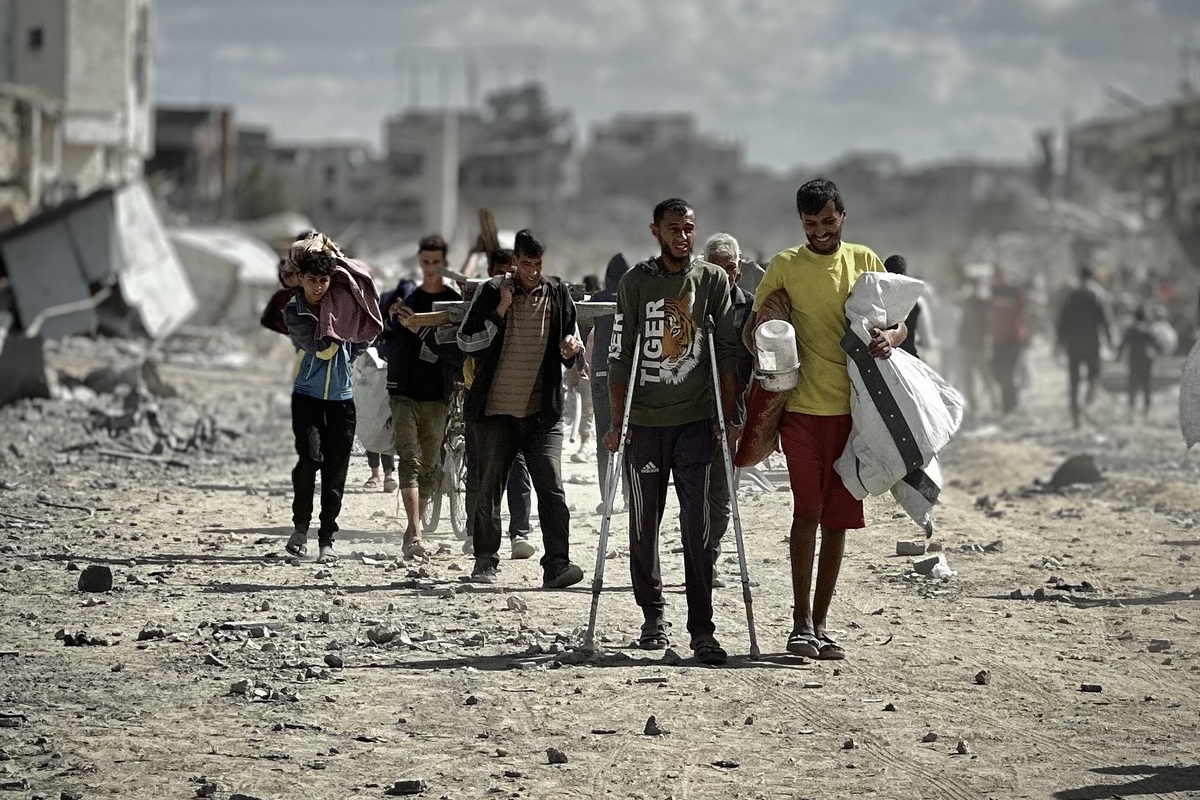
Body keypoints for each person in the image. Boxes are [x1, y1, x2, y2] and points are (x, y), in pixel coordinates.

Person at [751, 178, 904, 661]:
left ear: (843, 216)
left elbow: (897, 322)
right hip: (800, 412)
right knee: (807, 512)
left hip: (855, 415)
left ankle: (821, 623)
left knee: (837, 520)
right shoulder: (785, 266)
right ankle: (799, 624)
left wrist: (891, 339)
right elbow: (757, 330)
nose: (820, 231)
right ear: (801, 222)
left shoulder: (865, 261)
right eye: (810, 223)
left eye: (828, 221)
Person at [606, 198, 738, 665]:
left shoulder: (712, 280)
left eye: (689, 228)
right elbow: (620, 355)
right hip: (645, 423)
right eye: (674, 229)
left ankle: (702, 629)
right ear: (656, 231)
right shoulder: (635, 283)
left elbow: (725, 351)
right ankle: (653, 615)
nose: (683, 236)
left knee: (697, 526)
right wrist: (617, 421)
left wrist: (727, 417)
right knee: (644, 524)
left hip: (696, 422)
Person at [457, 229, 586, 588]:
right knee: (488, 489)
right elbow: (466, 342)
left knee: (552, 488)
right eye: (526, 264)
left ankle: (557, 565)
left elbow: (573, 344)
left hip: (542, 413)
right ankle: (485, 562)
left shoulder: (558, 294)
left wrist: (572, 349)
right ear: (514, 261)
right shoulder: (491, 291)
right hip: (495, 412)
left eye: (538, 264)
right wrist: (500, 310)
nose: (532, 272)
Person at [282, 238, 364, 565]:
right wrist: (344, 332)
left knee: (335, 473)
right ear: (301, 279)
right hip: (308, 396)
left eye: (324, 280)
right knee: (309, 460)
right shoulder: (294, 311)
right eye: (312, 279)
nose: (318, 287)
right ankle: (300, 528)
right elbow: (321, 348)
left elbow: (364, 333)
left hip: (342, 399)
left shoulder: (341, 305)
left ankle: (327, 539)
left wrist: (350, 347)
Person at [382, 235, 462, 558]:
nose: (430, 268)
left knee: (429, 465)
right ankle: (416, 533)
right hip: (404, 393)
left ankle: (412, 527)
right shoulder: (408, 298)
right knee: (409, 458)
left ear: (444, 263)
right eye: (426, 262)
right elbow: (387, 344)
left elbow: (456, 353)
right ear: (419, 261)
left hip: (437, 396)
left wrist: (422, 330)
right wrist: (393, 322)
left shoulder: (453, 304)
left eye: (436, 262)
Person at [462, 247, 536, 560]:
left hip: (519, 401)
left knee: (518, 469)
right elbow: (469, 342)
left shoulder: (536, 302)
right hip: (485, 399)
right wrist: (501, 309)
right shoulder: (486, 297)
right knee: (479, 470)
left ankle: (520, 533)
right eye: (502, 272)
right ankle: (474, 533)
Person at [701, 232, 754, 589]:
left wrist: (741, 416)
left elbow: (754, 367)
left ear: (739, 268)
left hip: (731, 412)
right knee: (695, 492)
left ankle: (710, 556)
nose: (725, 275)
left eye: (731, 268)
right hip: (691, 409)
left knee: (720, 495)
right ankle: (698, 558)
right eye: (717, 268)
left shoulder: (749, 308)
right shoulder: (691, 303)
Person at [587, 253, 633, 512]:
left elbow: (585, 332)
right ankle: (629, 495)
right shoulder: (634, 297)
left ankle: (607, 497)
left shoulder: (597, 300)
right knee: (628, 436)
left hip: (601, 374)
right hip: (628, 376)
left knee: (604, 437)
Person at [1055, 267, 1113, 428]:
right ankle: (1087, 403)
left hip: (1073, 343)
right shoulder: (1097, 293)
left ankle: (1075, 416)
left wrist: (1059, 341)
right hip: (1092, 342)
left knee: (1073, 380)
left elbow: (1062, 319)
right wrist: (1109, 340)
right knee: (1094, 375)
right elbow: (1104, 319)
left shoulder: (1071, 294)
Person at [989, 265, 1029, 416]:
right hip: (997, 340)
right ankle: (1011, 403)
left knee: (1009, 374)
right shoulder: (992, 291)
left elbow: (1023, 313)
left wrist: (1026, 335)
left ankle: (1009, 407)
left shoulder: (1015, 291)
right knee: (997, 372)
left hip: (1013, 338)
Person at [1116, 306, 1161, 420]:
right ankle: (1146, 411)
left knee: (1133, 386)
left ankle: (1131, 410)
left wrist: (1118, 356)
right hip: (1146, 361)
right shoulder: (1148, 329)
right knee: (1146, 386)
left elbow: (1123, 344)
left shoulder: (1130, 330)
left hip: (1134, 361)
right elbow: (1156, 345)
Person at [883, 254, 929, 359]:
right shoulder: (917, 301)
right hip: (909, 358)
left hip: (885, 358)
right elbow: (926, 339)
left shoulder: (878, 298)